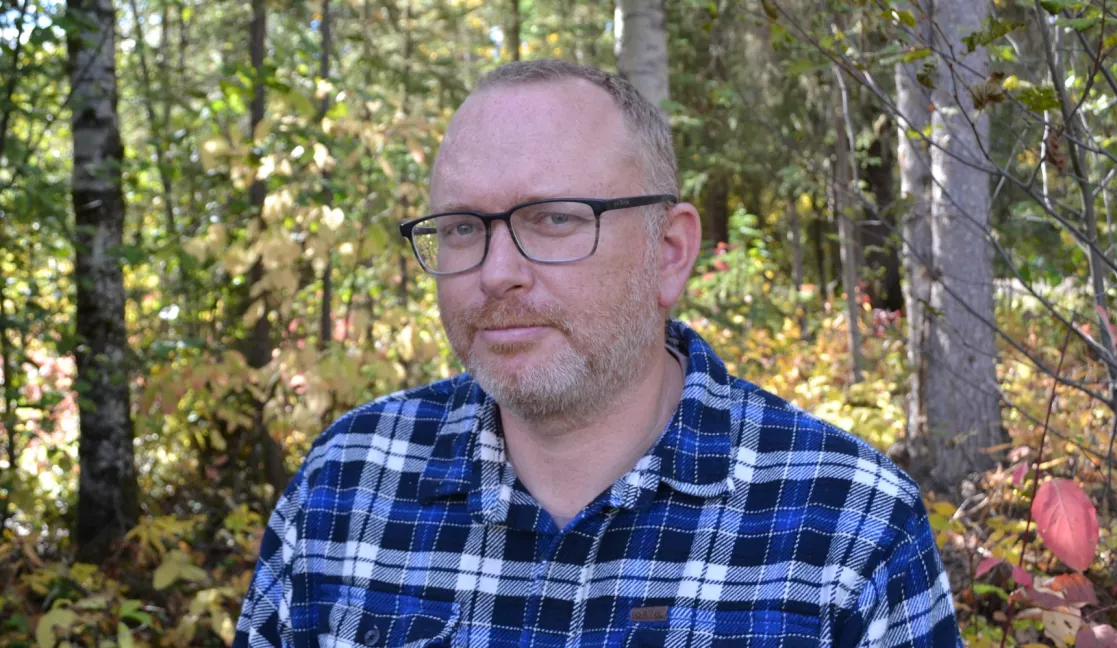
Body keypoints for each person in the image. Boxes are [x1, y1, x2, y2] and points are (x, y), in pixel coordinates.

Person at [234, 59, 961, 647]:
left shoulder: (847, 526)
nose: (495, 273)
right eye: (460, 228)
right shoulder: (343, 488)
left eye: (552, 219)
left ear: (669, 252)